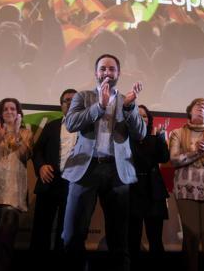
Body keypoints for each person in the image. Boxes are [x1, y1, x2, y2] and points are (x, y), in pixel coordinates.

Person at [62, 53, 146, 271]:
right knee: (72, 235)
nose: (107, 73)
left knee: (119, 239)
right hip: (85, 169)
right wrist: (99, 106)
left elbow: (140, 134)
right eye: (103, 69)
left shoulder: (126, 101)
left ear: (118, 73)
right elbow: (71, 123)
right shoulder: (83, 96)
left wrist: (129, 109)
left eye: (111, 69)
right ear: (96, 73)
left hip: (117, 171)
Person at [169, 98, 204, 271]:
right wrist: (197, 152)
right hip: (185, 189)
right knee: (191, 236)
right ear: (190, 110)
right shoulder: (177, 133)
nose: (202, 107)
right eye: (198, 105)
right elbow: (174, 160)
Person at [0, 98, 32, 271]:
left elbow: (24, 156)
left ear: (18, 113)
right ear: (0, 113)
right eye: (5, 109)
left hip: (14, 190)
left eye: (13, 109)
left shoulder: (26, 132)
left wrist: (16, 132)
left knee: (6, 238)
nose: (9, 112)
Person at [30, 89, 77, 257]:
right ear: (61, 105)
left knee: (66, 232)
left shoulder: (88, 128)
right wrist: (41, 166)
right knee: (41, 229)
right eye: (66, 100)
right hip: (49, 181)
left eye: (74, 100)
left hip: (74, 185)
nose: (70, 103)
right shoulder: (51, 126)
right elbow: (37, 151)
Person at [128, 105, 169, 265]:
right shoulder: (124, 139)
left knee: (155, 240)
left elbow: (164, 158)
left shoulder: (155, 138)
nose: (141, 119)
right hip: (132, 191)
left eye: (144, 116)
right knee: (132, 239)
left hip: (154, 192)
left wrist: (160, 139)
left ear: (149, 120)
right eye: (137, 116)